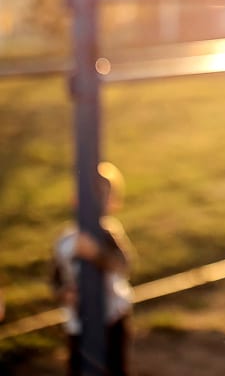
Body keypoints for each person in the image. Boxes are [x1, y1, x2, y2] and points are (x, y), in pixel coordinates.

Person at [50, 161, 135, 376]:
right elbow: (56, 278)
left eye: (103, 197)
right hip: (78, 322)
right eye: (90, 197)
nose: (97, 203)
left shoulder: (109, 233)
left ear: (113, 203)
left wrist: (97, 255)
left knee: (113, 367)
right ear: (75, 200)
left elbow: (123, 265)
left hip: (112, 317)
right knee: (79, 368)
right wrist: (64, 294)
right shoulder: (65, 240)